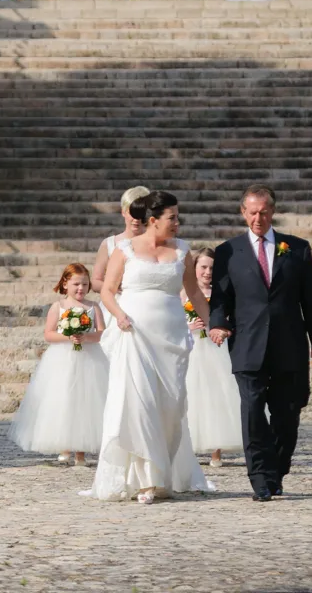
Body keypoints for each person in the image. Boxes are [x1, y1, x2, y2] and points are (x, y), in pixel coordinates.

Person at [84, 191, 214, 504]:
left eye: (178, 217)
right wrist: (120, 317)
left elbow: (194, 293)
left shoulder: (182, 250)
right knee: (138, 404)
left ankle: (164, 470)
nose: (177, 223)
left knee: (169, 407)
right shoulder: (124, 250)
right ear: (153, 221)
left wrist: (213, 324)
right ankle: (148, 481)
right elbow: (109, 292)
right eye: (172, 218)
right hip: (134, 335)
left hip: (170, 338)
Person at [209, 184, 312, 502]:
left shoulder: (297, 248)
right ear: (242, 213)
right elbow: (220, 298)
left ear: (273, 212)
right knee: (251, 410)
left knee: (287, 415)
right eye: (252, 212)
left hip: (289, 344)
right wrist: (218, 323)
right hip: (247, 344)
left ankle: (277, 469)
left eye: (263, 212)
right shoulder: (227, 252)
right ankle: (260, 477)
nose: (258, 218)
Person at [9, 263, 109, 466]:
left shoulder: (94, 307)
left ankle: (81, 451)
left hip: (89, 359)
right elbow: (49, 333)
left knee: (86, 401)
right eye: (76, 284)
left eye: (85, 284)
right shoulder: (58, 307)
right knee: (63, 399)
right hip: (63, 359)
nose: (81, 288)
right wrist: (68, 335)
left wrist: (86, 336)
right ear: (65, 283)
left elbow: (101, 333)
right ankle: (64, 446)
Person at [183, 248, 242, 467]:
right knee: (192, 396)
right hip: (193, 348)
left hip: (216, 349)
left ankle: (216, 451)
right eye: (203, 267)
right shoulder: (184, 293)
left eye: (212, 268)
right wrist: (189, 326)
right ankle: (186, 447)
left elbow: (231, 318)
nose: (208, 272)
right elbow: (173, 321)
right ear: (195, 269)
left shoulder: (222, 292)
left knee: (218, 396)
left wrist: (223, 328)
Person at [91, 185, 150, 358]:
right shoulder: (109, 243)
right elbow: (95, 280)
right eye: (131, 212)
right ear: (123, 212)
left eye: (141, 213)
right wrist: (115, 287)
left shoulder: (155, 244)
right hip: (114, 306)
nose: (136, 219)